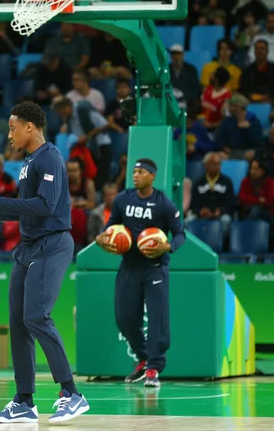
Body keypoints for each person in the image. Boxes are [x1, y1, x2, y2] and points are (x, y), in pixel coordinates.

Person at [0, 101, 89, 424]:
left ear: (30, 127)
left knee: (37, 316)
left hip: (51, 244)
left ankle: (72, 394)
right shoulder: (28, 162)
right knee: (19, 322)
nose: (9, 134)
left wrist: (1, 202)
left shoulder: (50, 156)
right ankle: (24, 400)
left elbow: (46, 205)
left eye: (12, 127)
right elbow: (26, 207)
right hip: (27, 247)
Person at [95, 158, 186, 388]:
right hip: (129, 266)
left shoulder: (164, 203)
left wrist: (168, 247)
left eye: (141, 172)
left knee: (157, 319)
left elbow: (179, 235)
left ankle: (154, 367)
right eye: (134, 172)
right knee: (124, 318)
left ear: (152, 176)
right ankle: (143, 358)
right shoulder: (123, 199)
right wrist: (102, 239)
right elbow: (110, 228)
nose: (135, 175)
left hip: (155, 267)